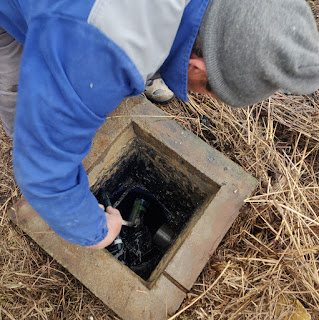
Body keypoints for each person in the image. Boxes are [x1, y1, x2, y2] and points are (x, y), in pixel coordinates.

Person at [0, 0, 318, 249]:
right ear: (195, 65)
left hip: (69, 20)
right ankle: (26, 127)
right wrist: (96, 231)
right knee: (21, 92)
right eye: (209, 88)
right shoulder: (96, 48)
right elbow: (44, 175)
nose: (202, 96)